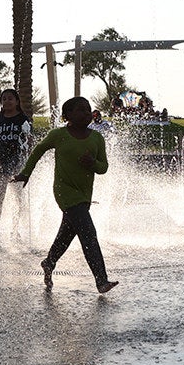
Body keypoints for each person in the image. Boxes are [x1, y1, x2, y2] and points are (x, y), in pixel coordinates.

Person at [17, 96, 117, 293]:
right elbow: (38, 150)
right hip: (65, 191)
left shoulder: (97, 138)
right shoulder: (59, 135)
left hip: (84, 193)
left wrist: (93, 164)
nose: (87, 113)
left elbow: (103, 167)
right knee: (88, 233)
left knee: (67, 233)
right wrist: (25, 173)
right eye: (81, 110)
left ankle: (49, 262)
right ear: (67, 115)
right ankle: (101, 280)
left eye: (88, 110)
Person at [0, 89, 32, 243]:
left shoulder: (22, 119)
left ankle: (15, 231)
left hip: (17, 164)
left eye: (10, 99)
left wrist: (27, 163)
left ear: (17, 101)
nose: (7, 101)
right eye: (4, 99)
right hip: (0, 164)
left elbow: (28, 141)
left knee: (17, 199)